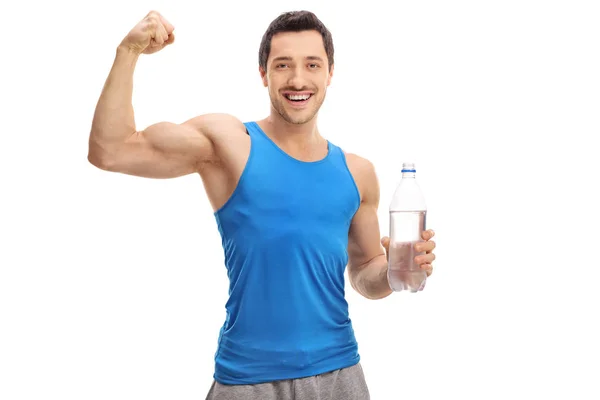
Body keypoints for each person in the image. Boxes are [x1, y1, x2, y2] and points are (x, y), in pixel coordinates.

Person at [87, 9, 436, 400]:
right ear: (263, 73)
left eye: (312, 65)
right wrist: (128, 50)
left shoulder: (358, 173)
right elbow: (110, 150)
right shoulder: (229, 144)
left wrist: (392, 270)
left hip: (341, 375)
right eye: (283, 65)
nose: (298, 79)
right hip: (247, 381)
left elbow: (364, 274)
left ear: (330, 74)